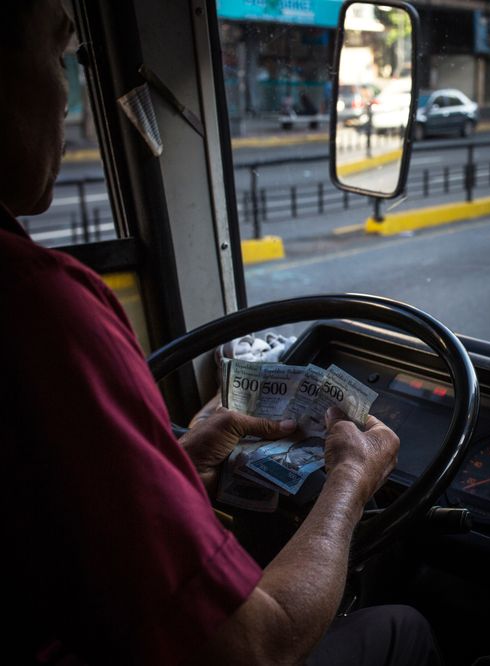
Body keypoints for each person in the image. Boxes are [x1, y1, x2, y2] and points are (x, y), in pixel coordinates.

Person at [1, 2, 439, 664]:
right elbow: (253, 648)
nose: (68, 96)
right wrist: (352, 481)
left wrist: (183, 468)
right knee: (404, 626)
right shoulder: (38, 308)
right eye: (60, 57)